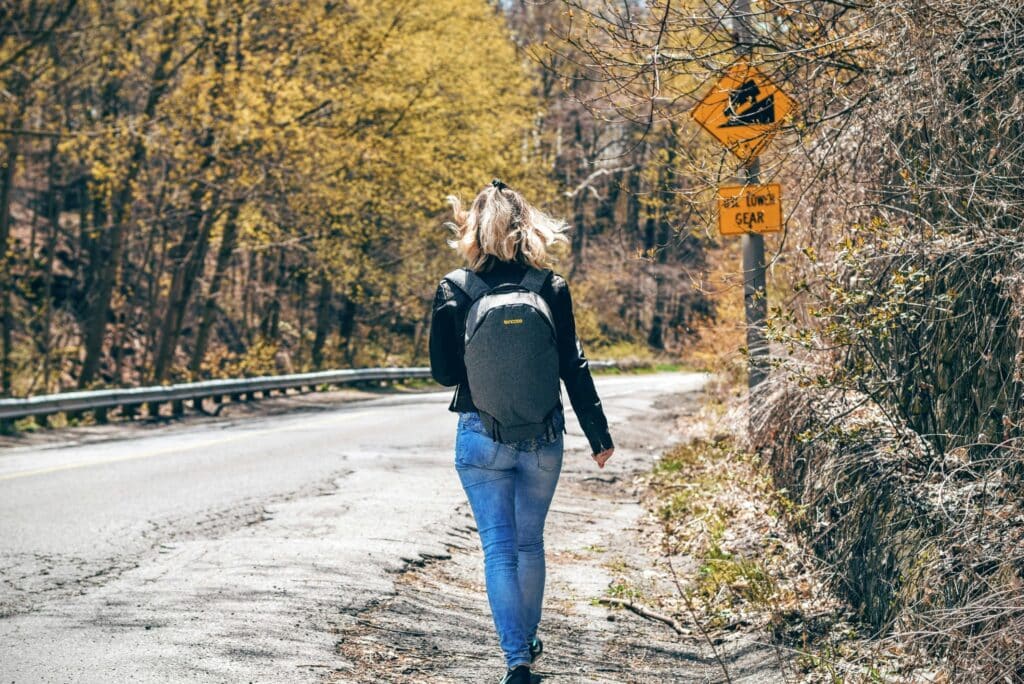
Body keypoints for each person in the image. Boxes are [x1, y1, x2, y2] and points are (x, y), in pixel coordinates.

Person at [429, 179, 615, 684]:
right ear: (527, 227)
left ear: (472, 230)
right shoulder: (550, 287)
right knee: (530, 544)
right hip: (542, 435)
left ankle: (517, 661)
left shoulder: (454, 289)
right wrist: (599, 435)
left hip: (479, 432)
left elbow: (444, 374)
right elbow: (572, 367)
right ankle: (528, 644)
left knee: (498, 547)